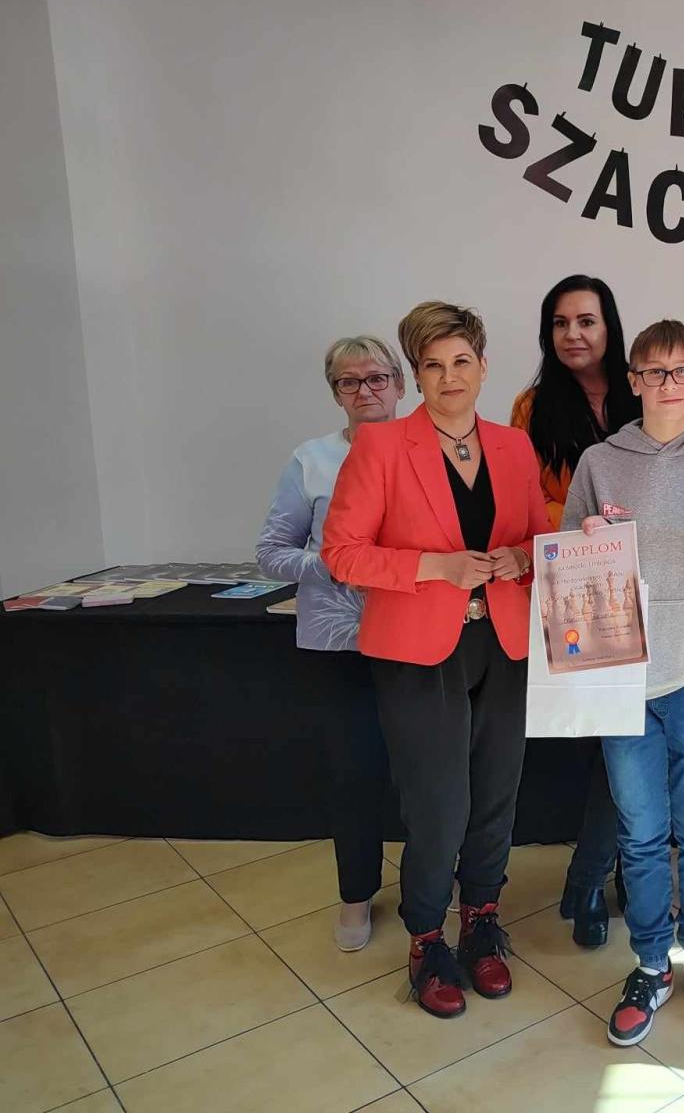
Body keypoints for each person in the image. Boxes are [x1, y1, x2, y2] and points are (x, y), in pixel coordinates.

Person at [324, 301, 548, 1019]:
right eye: (433, 365)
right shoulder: (381, 446)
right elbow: (342, 554)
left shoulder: (514, 447)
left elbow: (538, 539)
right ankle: (427, 937)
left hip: (504, 643)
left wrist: (521, 557)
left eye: (462, 361)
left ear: (483, 367)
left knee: (496, 794)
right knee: (438, 804)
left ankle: (481, 920)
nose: (450, 377)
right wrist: (434, 567)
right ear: (415, 375)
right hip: (419, 651)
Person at [563, 320, 684, 1049]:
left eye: (682, 372)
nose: (667, 384)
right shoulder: (600, 462)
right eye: (653, 372)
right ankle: (650, 964)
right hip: (623, 678)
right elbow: (566, 566)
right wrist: (584, 544)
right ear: (633, 380)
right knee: (641, 836)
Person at [257, 334, 403, 951]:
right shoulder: (311, 460)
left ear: (400, 384)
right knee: (354, 774)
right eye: (349, 382)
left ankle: (431, 879)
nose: (365, 391)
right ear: (336, 393)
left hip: (415, 638)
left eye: (376, 378)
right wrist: (334, 564)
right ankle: (356, 894)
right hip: (337, 645)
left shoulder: (429, 449)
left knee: (428, 771)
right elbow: (271, 553)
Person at [510, 275, 641, 947]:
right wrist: (587, 518)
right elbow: (524, 503)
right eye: (560, 324)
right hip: (573, 589)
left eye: (586, 321)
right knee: (611, 739)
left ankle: (602, 873)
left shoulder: (640, 390)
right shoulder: (532, 408)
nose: (573, 335)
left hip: (643, 587)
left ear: (609, 326)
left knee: (632, 740)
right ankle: (594, 876)